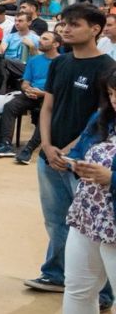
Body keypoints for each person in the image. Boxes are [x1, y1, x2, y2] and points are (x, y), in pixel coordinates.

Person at [25, 5, 116, 298]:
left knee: (93, 228)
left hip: (84, 163)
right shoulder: (59, 64)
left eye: (74, 24)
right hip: (50, 157)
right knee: (56, 221)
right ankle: (55, 274)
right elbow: (47, 107)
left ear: (95, 29)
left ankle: (102, 293)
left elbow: (101, 119)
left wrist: (68, 152)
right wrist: (47, 146)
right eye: (63, 24)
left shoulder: (108, 69)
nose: (65, 29)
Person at [62, 74, 116, 314]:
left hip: (112, 224)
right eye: (112, 94)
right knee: (77, 288)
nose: (115, 100)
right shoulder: (102, 118)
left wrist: (111, 178)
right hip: (88, 216)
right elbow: (81, 148)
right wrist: (76, 164)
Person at [0, 32, 59, 162]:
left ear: (56, 44)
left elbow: (62, 89)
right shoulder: (34, 60)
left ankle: (29, 148)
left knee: (46, 113)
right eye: (41, 38)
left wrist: (42, 93)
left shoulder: (62, 62)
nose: (40, 41)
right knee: (10, 105)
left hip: (50, 96)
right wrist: (27, 89)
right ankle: (5, 144)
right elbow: (25, 82)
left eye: (45, 39)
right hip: (31, 93)